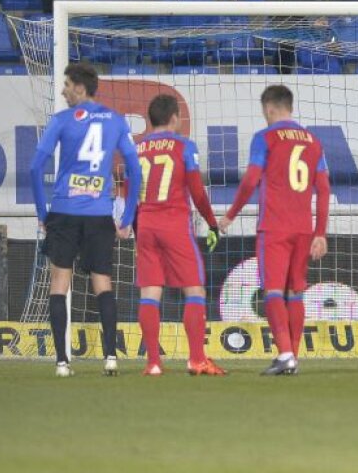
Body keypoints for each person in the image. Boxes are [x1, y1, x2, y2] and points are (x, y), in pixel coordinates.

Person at [29, 63, 142, 377]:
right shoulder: (115, 120)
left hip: (64, 213)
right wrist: (127, 217)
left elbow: (35, 167)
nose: (63, 90)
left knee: (59, 284)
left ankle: (62, 362)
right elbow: (135, 169)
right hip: (99, 214)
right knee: (102, 283)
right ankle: (110, 358)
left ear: (80, 88)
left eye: (67, 85)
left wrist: (43, 213)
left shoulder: (62, 120)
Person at [219, 85, 330, 375]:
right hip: (304, 228)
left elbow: (251, 179)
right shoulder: (313, 141)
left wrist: (230, 214)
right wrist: (320, 232)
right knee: (296, 292)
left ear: (269, 109)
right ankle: (292, 356)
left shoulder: (265, 137)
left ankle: (285, 354)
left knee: (272, 291)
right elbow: (324, 189)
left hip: (274, 226)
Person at [134, 95, 226, 377]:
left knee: (150, 292)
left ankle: (153, 363)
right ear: (174, 118)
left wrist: (133, 224)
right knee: (194, 289)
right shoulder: (184, 146)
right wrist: (212, 223)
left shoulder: (137, 149)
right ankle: (197, 359)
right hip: (174, 224)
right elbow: (197, 191)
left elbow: (130, 190)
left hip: (145, 224)